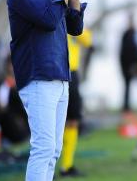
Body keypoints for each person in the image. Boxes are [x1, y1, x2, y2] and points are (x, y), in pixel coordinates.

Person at [7, 0, 86, 181]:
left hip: (59, 78)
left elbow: (75, 27)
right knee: (43, 148)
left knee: (53, 150)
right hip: (39, 77)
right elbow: (50, 20)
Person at [60, 28, 92, 177]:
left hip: (73, 75)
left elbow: (88, 40)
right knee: (53, 123)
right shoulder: (51, 18)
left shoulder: (72, 22)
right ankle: (47, 168)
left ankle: (67, 166)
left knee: (73, 121)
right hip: (56, 73)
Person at [119, 13, 137, 113]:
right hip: (126, 65)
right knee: (127, 85)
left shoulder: (136, 33)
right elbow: (123, 51)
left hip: (134, 64)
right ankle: (126, 106)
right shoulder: (126, 34)